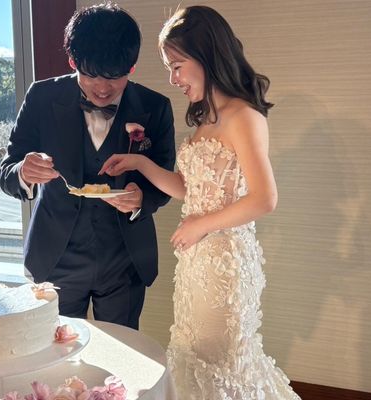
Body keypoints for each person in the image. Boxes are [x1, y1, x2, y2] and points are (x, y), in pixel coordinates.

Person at [100, 5, 301, 399]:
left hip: (224, 266)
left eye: (177, 66)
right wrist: (141, 163)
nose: (173, 78)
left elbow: (265, 198)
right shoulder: (207, 116)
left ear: (206, 56)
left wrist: (201, 225)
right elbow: (187, 188)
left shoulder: (243, 115)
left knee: (219, 368)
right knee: (192, 361)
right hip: (195, 263)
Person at [0, 2, 176, 330]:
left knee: (122, 350)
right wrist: (23, 172)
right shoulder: (41, 97)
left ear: (132, 67)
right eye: (91, 75)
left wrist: (142, 198)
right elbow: (7, 171)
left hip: (124, 261)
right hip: (56, 260)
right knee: (57, 349)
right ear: (72, 61)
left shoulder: (156, 107)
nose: (103, 88)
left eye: (115, 77)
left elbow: (165, 179)